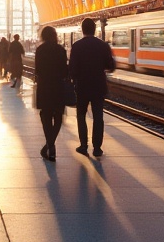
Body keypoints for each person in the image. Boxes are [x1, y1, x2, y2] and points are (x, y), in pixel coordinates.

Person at [69, 18, 114, 157]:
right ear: (95, 29)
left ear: (82, 30)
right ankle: (97, 148)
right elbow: (110, 66)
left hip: (82, 86)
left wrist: (75, 78)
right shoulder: (103, 46)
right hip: (98, 86)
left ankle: (83, 145)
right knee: (98, 117)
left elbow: (72, 69)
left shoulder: (76, 46)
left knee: (81, 115)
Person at [33, 25, 69, 161]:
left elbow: (37, 71)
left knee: (46, 115)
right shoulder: (61, 50)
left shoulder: (40, 50)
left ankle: (50, 145)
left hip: (44, 87)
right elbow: (65, 71)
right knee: (58, 116)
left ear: (43, 36)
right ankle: (50, 145)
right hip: (58, 87)